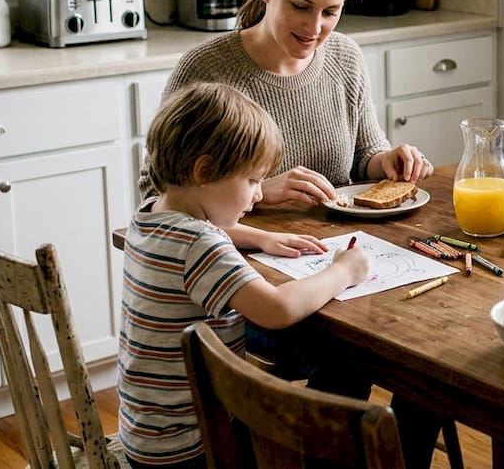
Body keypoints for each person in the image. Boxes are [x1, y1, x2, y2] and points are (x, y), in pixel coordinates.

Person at [118, 82, 440, 469]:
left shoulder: (153, 215)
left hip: (147, 435)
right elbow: (275, 309)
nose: (258, 195)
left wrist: (262, 237)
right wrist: (343, 270)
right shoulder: (200, 246)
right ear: (203, 171)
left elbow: (200, 235)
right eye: (252, 180)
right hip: (194, 447)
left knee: (340, 373)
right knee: (350, 372)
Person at [158, 0, 432, 209]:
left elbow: (365, 156)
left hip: (333, 243)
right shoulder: (206, 69)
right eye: (300, 6)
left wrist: (388, 162)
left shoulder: (345, 57)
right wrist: (258, 191)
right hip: (240, 250)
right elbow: (156, 193)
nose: (314, 27)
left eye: (330, 12)